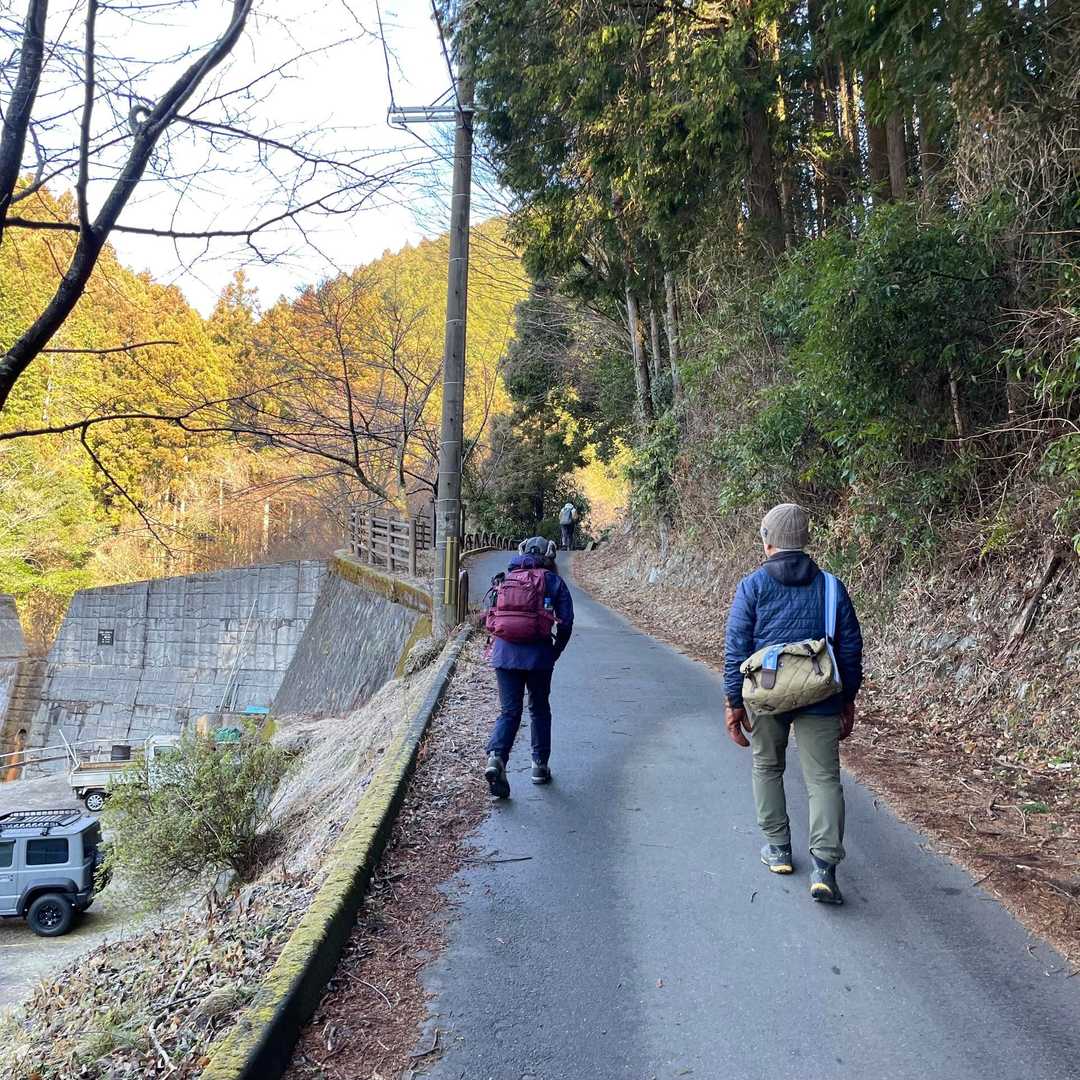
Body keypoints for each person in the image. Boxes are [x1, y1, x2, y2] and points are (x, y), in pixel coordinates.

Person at [723, 503, 863, 904]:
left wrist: (734, 702)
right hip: (821, 694)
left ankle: (778, 849)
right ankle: (825, 868)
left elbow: (736, 650)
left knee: (768, 766)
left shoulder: (752, 587)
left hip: (767, 695)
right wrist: (847, 699)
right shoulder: (831, 587)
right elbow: (850, 649)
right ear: (805, 540)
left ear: (768, 541)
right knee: (823, 780)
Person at [484, 536, 574, 798]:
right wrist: (555, 651)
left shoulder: (506, 578)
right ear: (550, 556)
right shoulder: (553, 581)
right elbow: (566, 622)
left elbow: (491, 617)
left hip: (504, 654)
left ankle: (496, 757)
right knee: (539, 708)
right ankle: (539, 766)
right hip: (539, 656)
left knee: (509, 712)